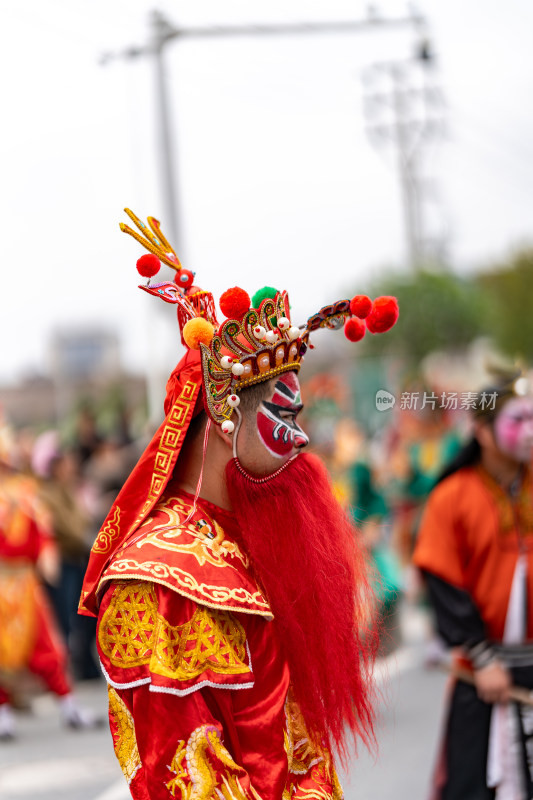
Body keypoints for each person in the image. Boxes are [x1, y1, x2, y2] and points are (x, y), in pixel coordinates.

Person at [80, 209, 399, 799]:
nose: (302, 439)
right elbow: (185, 776)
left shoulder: (247, 538)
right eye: (285, 415)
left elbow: (295, 740)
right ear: (225, 419)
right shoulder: (158, 580)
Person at [413, 371, 533, 799]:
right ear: (482, 431)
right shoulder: (452, 497)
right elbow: (443, 581)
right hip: (481, 674)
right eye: (517, 420)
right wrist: (482, 659)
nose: (529, 432)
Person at [0, 422, 100, 739]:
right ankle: (4, 714)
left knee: (45, 644)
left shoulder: (25, 493)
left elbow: (43, 532)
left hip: (25, 582)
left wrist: (46, 553)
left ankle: (68, 705)